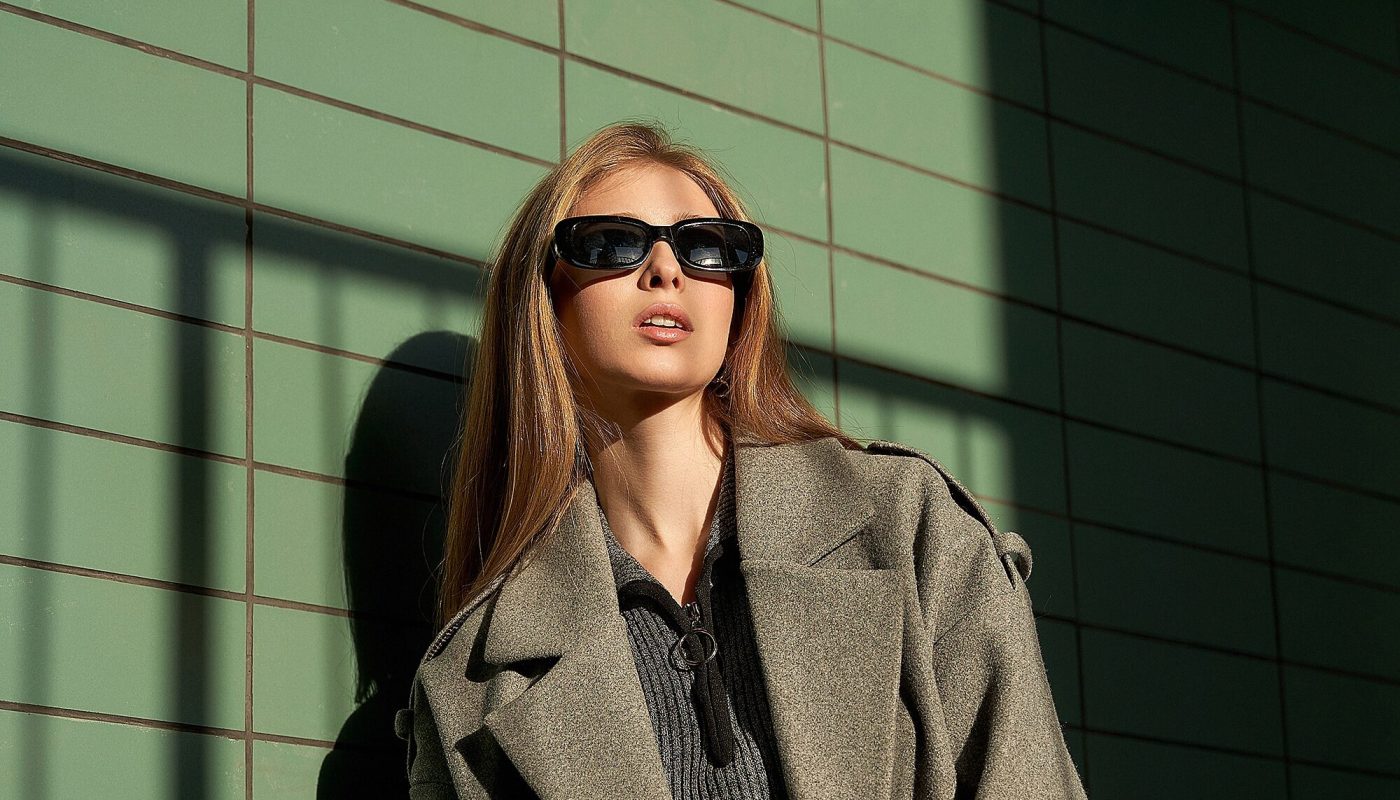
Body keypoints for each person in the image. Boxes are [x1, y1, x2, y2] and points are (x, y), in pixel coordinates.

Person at [394, 119, 1089, 800]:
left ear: (740, 295)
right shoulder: (471, 684)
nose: (666, 270)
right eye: (611, 244)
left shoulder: (906, 526)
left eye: (707, 247)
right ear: (542, 300)